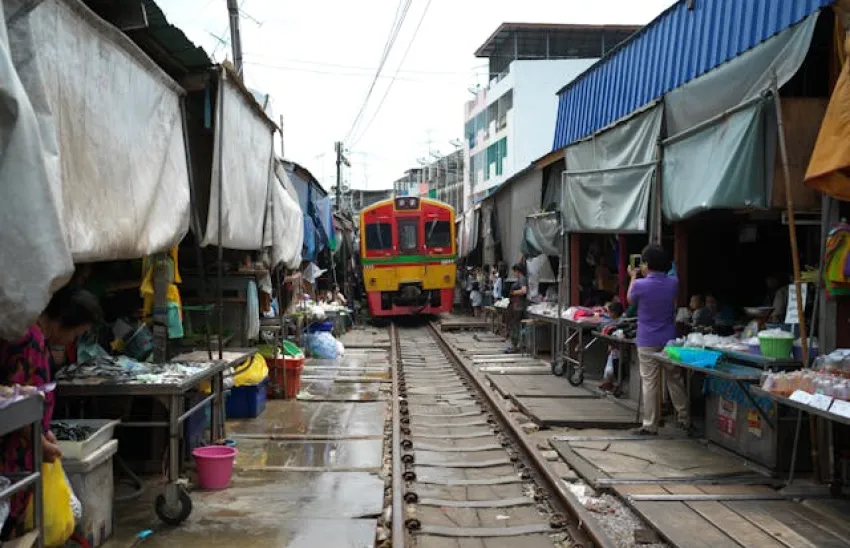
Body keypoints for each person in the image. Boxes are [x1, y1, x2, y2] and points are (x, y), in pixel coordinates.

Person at [0, 286, 101, 540]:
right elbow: (16, 402)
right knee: (13, 523)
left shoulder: (39, 339)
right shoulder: (30, 341)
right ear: (63, 322)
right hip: (15, 451)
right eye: (77, 333)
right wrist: (41, 442)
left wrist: (44, 434)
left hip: (28, 446)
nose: (73, 341)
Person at [627, 245, 689, 435]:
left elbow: (630, 299)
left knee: (650, 382)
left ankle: (650, 424)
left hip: (646, 338)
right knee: (675, 378)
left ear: (647, 264)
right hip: (668, 338)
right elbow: (672, 272)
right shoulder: (673, 283)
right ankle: (684, 418)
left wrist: (633, 276)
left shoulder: (640, 284)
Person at [600, 302, 625, 392]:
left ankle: (615, 385)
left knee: (614, 369)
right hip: (614, 348)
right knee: (610, 367)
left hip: (620, 348)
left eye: (610, 312)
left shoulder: (622, 321)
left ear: (614, 312)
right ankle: (608, 383)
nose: (609, 314)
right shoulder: (611, 321)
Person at [505, 263, 528, 353]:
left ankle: (516, 346)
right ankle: (515, 345)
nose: (514, 273)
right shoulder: (520, 279)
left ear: (517, 271)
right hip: (516, 304)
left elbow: (524, 290)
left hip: (518, 305)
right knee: (514, 325)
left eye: (514, 271)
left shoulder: (522, 279)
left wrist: (513, 292)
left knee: (515, 325)